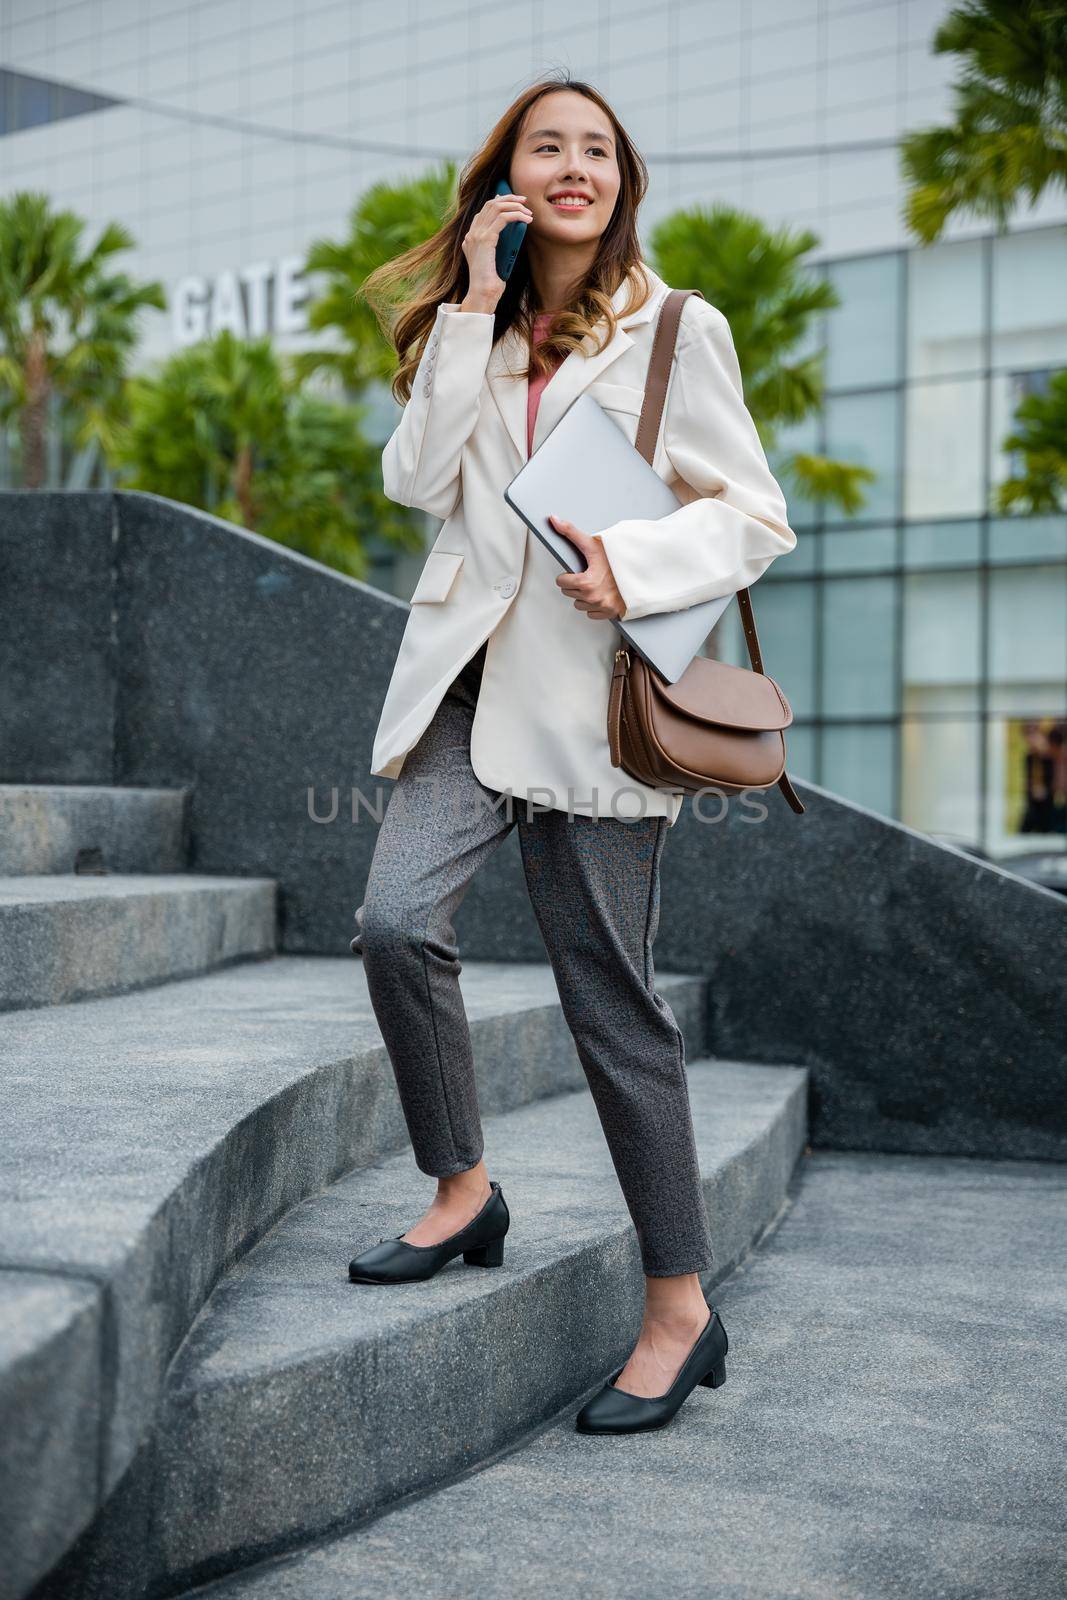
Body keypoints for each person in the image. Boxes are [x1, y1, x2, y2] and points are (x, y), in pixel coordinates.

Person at [347, 74, 795, 1435]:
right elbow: (414, 484)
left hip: (598, 703)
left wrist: (637, 563)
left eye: (597, 148)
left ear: (621, 180)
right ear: (508, 179)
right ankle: (463, 1189)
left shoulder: (678, 328)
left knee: (609, 1002)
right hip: (467, 688)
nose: (575, 166)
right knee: (389, 922)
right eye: (549, 146)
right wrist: (472, 302)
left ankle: (678, 1308)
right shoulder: (469, 326)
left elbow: (754, 517)